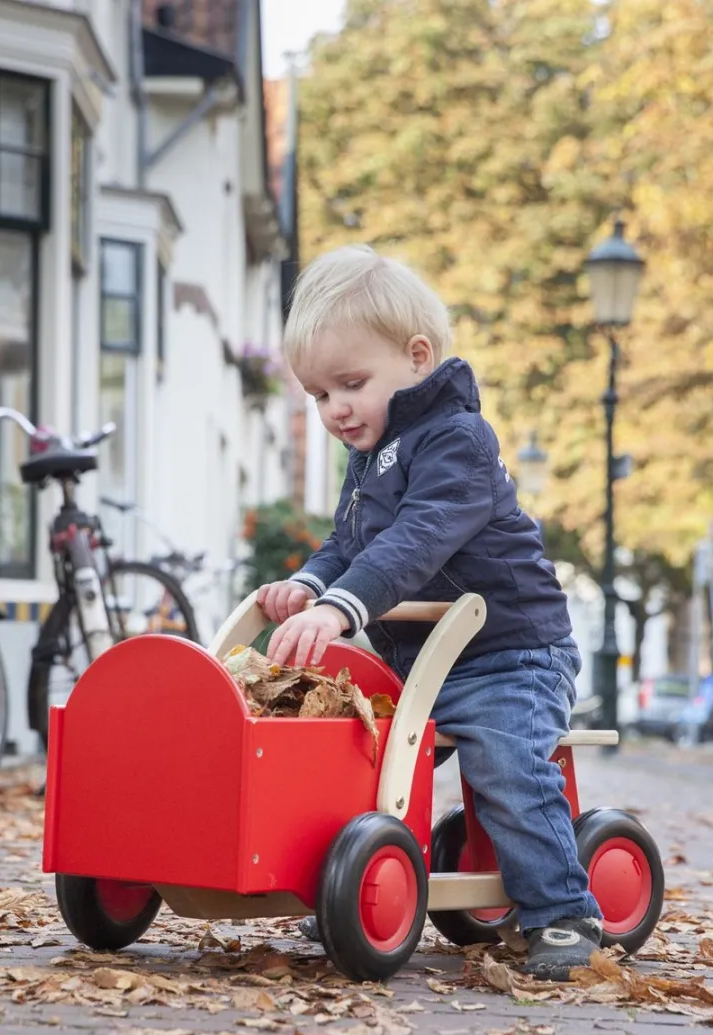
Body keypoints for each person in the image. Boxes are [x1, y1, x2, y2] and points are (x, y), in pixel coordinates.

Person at [257, 244, 603, 981]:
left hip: (510, 655)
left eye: (351, 384)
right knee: (352, 752)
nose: (335, 409)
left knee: (506, 762)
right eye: (319, 395)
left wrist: (342, 608)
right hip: (421, 667)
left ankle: (563, 911)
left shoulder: (458, 442)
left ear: (417, 358)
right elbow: (349, 543)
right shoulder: (369, 454)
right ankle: (355, 881)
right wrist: (310, 585)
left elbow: (417, 540)